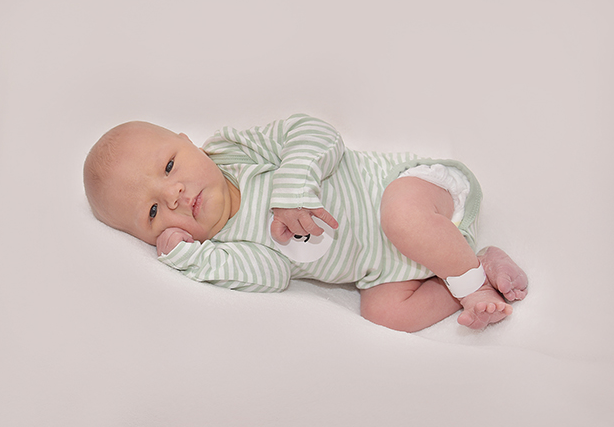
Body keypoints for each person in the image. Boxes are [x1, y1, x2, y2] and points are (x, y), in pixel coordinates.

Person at [83, 113, 527, 332]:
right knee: (384, 315)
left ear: (189, 142)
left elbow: (318, 133)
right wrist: (188, 258)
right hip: (389, 270)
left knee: (401, 218)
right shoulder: (222, 248)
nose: (173, 194)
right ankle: (474, 265)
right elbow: (272, 275)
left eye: (168, 167)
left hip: (409, 190)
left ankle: (471, 285)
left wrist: (293, 187)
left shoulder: (236, 151)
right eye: (153, 212)